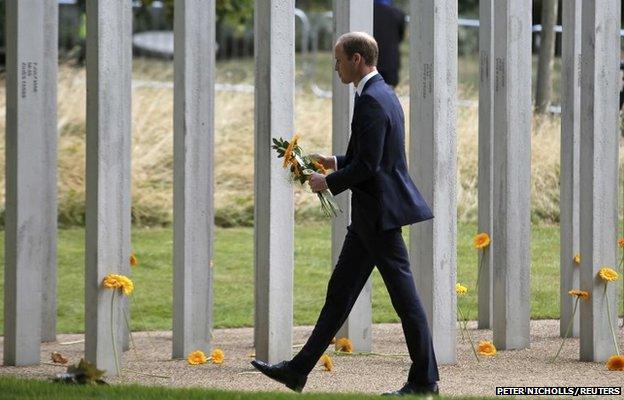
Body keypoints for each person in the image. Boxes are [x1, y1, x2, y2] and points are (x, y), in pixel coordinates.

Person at [251, 32, 439, 397]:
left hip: (377, 218)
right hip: (372, 218)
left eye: (337, 60)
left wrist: (328, 182)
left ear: (356, 59)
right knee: (339, 296)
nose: (334, 66)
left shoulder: (370, 100)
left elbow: (369, 165)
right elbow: (371, 156)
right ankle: (297, 371)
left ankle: (424, 382)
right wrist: (334, 161)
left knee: (406, 302)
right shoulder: (381, 93)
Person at [373, 0, 406, 88]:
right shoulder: (397, 13)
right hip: (390, 64)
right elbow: (400, 37)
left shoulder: (366, 12)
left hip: (370, 62)